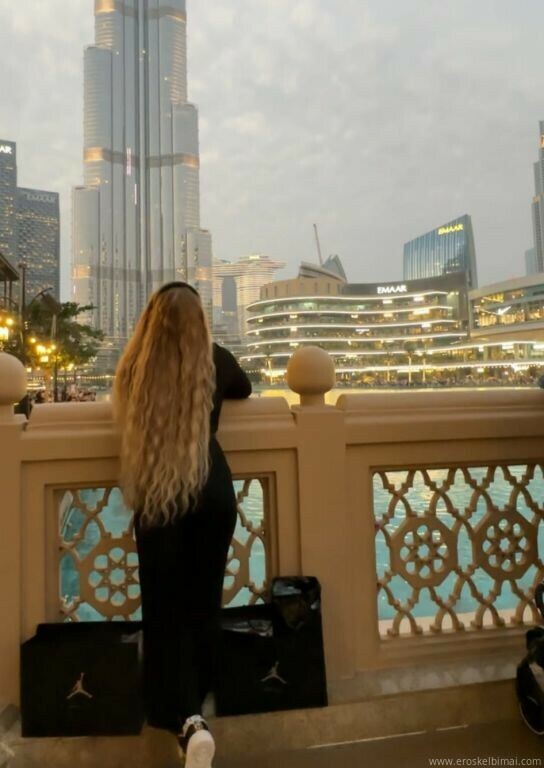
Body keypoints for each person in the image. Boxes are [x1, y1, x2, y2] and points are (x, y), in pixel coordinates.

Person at [113, 281, 251, 768]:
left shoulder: (134, 366)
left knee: (165, 608)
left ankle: (184, 720)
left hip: (159, 497)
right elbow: (245, 387)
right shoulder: (216, 360)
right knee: (203, 603)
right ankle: (194, 715)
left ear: (150, 322)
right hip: (212, 492)